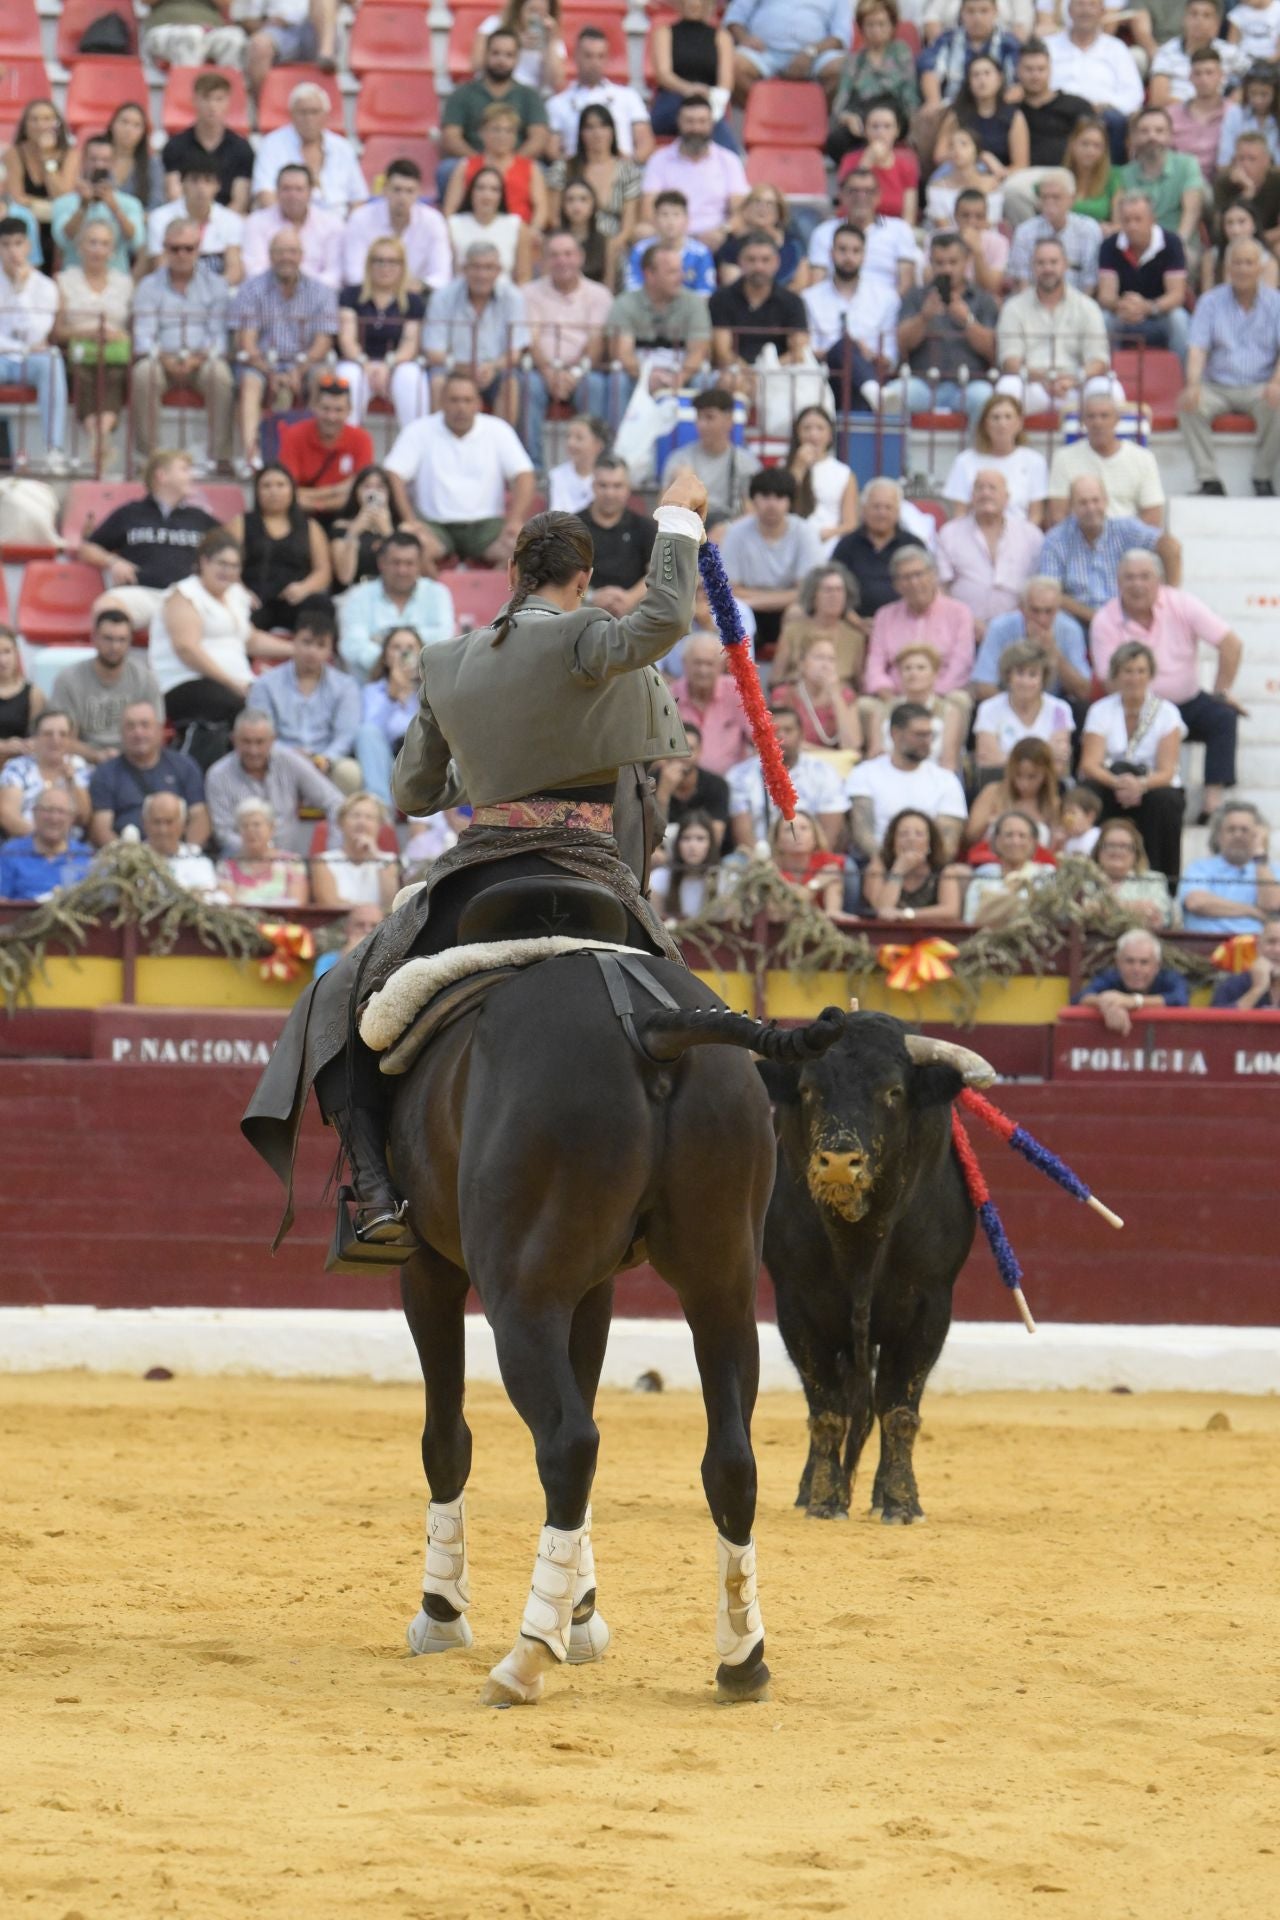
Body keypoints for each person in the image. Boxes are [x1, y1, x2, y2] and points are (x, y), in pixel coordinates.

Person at [242, 471, 709, 1245]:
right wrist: (676, 521)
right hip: (593, 864)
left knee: (342, 996)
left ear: (512, 574)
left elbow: (413, 792)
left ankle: (377, 1192)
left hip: (481, 865)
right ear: (582, 578)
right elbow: (662, 620)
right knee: (685, 994)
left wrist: (487, 771)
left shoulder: (446, 660)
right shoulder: (588, 631)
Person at [1090, 550, 1245, 819]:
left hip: (1186, 702)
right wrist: (1148, 706)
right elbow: (1109, 679)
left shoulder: (1182, 604)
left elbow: (1231, 643)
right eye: (1130, 578)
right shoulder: (1105, 618)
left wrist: (1222, 691)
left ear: (1159, 580)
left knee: (1223, 715)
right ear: (1118, 581)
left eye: (1145, 576)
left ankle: (1212, 803)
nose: (1137, 584)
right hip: (1136, 708)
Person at [149, 529, 291, 740]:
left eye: (234, 566)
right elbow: (187, 649)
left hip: (234, 685)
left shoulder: (235, 594)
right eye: (222, 564)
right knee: (243, 712)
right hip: (186, 684)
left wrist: (297, 650)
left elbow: (250, 639)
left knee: (281, 704)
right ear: (204, 562)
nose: (228, 571)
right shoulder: (184, 594)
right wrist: (232, 684)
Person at [384, 371, 536, 568]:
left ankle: (493, 597)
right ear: (442, 402)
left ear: (478, 403)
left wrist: (515, 520)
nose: (461, 407)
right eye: (454, 400)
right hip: (434, 525)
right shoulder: (419, 430)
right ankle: (436, 596)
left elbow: (524, 475)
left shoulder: (498, 430)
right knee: (410, 551)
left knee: (526, 553)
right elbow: (393, 474)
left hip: (486, 526)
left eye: (467, 400)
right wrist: (409, 519)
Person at [1178, 236, 1280, 497]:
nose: (1243, 269)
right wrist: (1193, 384)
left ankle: (1263, 476)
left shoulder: (1276, 303)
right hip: (1217, 386)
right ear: (1228, 268)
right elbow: (1198, 348)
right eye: (1237, 263)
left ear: (1260, 267)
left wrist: (1277, 382)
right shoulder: (1210, 301)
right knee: (1188, 404)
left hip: (1260, 385)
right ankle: (1209, 479)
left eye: (1249, 263)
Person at [230, 230, 340, 470]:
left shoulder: (321, 292)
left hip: (305, 362)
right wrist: (270, 373)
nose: (285, 257)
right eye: (279, 252)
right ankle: (252, 455)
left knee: (324, 380)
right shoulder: (251, 289)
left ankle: (312, 451)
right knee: (249, 382)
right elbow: (246, 341)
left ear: (301, 256)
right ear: (270, 256)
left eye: (291, 251)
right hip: (262, 363)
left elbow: (323, 342)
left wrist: (298, 372)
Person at [1078, 640, 1188, 880]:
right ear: (1117, 674)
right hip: (1111, 781)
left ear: (1150, 675)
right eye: (1128, 671)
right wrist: (1119, 784)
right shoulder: (1100, 710)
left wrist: (1140, 785)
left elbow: (1167, 770)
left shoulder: (1167, 712)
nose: (1134, 678)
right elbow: (1090, 763)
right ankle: (1088, 874)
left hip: (1152, 785)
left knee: (1166, 802)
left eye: (1141, 671)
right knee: (1088, 793)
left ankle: (1163, 880)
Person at [131, 223, 235, 466]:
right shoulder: (148, 286)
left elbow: (218, 336)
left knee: (220, 376)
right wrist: (164, 358)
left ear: (199, 249)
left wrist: (197, 359)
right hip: (161, 358)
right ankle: (150, 459)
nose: (182, 255)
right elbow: (144, 335)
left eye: (188, 248)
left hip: (202, 360)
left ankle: (220, 458)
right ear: (165, 249)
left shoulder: (216, 285)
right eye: (175, 249)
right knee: (143, 374)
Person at [870, 227, 997, 426]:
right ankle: (898, 458)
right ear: (930, 263)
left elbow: (992, 350)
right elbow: (902, 345)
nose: (946, 269)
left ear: (966, 262)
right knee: (891, 398)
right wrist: (924, 317)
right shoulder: (916, 296)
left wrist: (968, 321)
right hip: (923, 385)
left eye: (953, 262)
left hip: (969, 386)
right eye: (940, 263)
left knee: (987, 399)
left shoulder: (983, 300)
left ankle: (975, 457)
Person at [80, 451, 219, 630]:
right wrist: (113, 562)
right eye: (184, 470)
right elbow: (88, 548)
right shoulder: (130, 513)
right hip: (142, 593)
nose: (191, 476)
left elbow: (230, 550)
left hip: (188, 597)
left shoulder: (200, 518)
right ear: (162, 475)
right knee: (106, 610)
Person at [995, 236, 1122, 419]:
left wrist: (1072, 380)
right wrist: (1044, 379)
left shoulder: (1087, 307)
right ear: (1032, 267)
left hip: (1076, 386)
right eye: (1041, 263)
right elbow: (1010, 361)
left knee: (1111, 391)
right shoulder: (1013, 307)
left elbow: (1099, 360)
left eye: (1053, 262)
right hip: (1033, 385)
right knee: (1006, 388)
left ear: (1065, 265)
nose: (1047, 268)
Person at [246, 600, 361, 792]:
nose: (312, 651)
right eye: (306, 642)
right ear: (293, 641)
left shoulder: (345, 686)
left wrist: (324, 759)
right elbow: (260, 732)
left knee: (350, 772)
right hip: (278, 758)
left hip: (326, 762)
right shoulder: (265, 684)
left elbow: (345, 736)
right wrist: (289, 755)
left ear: (330, 650)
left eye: (320, 645)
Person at [521, 230, 613, 470]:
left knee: (594, 385)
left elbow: (596, 343)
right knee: (526, 385)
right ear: (543, 260)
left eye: (568, 254)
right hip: (541, 369)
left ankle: (594, 464)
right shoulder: (528, 293)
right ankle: (534, 468)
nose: (562, 260)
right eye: (554, 255)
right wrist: (549, 373)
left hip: (582, 371)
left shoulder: (599, 294)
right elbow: (531, 340)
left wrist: (572, 375)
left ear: (580, 257)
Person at [1039, 475, 1176, 625]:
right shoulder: (1056, 539)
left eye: (1095, 501)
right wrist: (1098, 619)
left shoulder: (1126, 529)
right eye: (1083, 503)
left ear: (1106, 501)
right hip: (1079, 622)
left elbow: (1171, 547)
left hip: (1127, 616)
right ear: (1072, 507)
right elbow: (1050, 591)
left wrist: (1169, 597)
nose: (1091, 508)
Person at [54, 219, 133, 475]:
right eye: (92, 242)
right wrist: (88, 332)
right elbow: (57, 332)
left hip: (114, 352)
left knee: (115, 374)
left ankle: (97, 438)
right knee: (83, 376)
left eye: (105, 244)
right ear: (80, 248)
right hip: (79, 350)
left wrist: (116, 335)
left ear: (113, 251)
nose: (98, 249)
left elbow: (133, 331)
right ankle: (102, 438)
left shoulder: (125, 283)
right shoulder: (64, 280)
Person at [206, 709, 343, 857]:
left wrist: (333, 852)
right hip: (241, 861)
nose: (253, 750)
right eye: (246, 741)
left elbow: (335, 802)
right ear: (234, 740)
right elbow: (223, 833)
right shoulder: (218, 775)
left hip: (291, 861)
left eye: (260, 742)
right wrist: (262, 850)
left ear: (273, 740)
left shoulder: (290, 760)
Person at [719, 470, 824, 654]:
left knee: (797, 612)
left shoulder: (805, 532)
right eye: (765, 496)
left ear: (790, 502)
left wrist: (757, 599)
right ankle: (740, 677)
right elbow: (729, 589)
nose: (772, 504)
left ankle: (784, 676)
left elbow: (807, 591)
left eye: (780, 497)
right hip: (747, 608)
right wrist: (778, 597)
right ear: (753, 499)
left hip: (785, 609)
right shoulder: (736, 532)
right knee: (733, 611)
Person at [846, 702, 969, 858]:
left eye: (931, 735)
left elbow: (948, 843)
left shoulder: (946, 780)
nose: (927, 741)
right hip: (875, 862)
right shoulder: (864, 773)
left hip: (928, 865)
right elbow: (862, 833)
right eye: (919, 735)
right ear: (895, 734)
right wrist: (892, 863)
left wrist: (917, 865)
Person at [422, 239, 529, 416]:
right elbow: (434, 351)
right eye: (476, 267)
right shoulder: (443, 297)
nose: (482, 274)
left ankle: (502, 442)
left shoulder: (513, 298)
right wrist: (464, 368)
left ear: (499, 271)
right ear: (464, 269)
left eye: (488, 267)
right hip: (453, 369)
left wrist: (492, 367)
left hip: (495, 371)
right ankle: (439, 441)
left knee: (511, 382)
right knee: (438, 380)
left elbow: (515, 351)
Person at [802, 224, 899, 409]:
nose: (848, 257)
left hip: (870, 371)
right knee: (843, 346)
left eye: (855, 251)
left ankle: (870, 389)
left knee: (858, 389)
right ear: (831, 253)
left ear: (864, 255)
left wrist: (867, 354)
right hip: (825, 377)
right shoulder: (810, 298)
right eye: (842, 250)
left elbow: (890, 358)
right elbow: (808, 352)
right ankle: (874, 391)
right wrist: (844, 350)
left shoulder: (887, 298)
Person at [86, 700, 209, 846]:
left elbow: (199, 816)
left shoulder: (185, 766)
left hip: (177, 855)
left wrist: (189, 852)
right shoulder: (105, 773)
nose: (138, 733)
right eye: (130, 726)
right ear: (121, 733)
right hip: (127, 857)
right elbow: (101, 828)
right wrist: (129, 860)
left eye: (145, 725)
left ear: (159, 730)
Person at [338, 530, 457, 680]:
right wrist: (399, 661)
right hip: (371, 688)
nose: (402, 570)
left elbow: (444, 639)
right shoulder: (358, 595)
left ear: (420, 564)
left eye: (409, 563)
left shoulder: (437, 593)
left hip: (424, 687)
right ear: (381, 563)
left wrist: (384, 639)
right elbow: (351, 646)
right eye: (396, 563)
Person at [51, 607, 163, 766]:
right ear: (94, 638)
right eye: (108, 639)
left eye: (122, 639)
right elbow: (61, 737)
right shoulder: (69, 679)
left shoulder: (145, 679)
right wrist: (95, 755)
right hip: (83, 761)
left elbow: (155, 731)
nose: (115, 646)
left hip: (134, 760)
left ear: (130, 641)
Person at [936, 470, 1046, 631]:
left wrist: (1014, 622)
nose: (985, 493)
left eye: (992, 488)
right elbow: (940, 588)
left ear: (1007, 498)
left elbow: (1040, 586)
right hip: (962, 628)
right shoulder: (949, 533)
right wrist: (968, 622)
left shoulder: (1031, 535)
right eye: (979, 488)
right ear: (971, 497)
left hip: (1021, 628)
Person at [226, 465, 331, 633]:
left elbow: (323, 571)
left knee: (320, 606)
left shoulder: (310, 527)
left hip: (295, 600)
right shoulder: (240, 523)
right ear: (257, 491)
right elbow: (225, 563)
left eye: (280, 485)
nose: (273, 491)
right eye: (266, 486)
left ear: (292, 490)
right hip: (253, 600)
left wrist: (304, 588)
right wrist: (241, 592)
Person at [1001, 38, 1095, 225]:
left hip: (1065, 172)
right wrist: (1004, 102)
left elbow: (1094, 141)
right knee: (1011, 190)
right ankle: (1032, 240)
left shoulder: (1076, 105)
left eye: (1041, 69)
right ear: (1018, 72)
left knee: (1016, 189)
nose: (1035, 76)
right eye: (1028, 69)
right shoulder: (1009, 109)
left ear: (1050, 70)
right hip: (1025, 176)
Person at [708, 230, 810, 403]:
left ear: (777, 262)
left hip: (779, 370)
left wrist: (766, 371)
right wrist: (749, 373)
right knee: (730, 381)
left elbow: (798, 351)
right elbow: (722, 351)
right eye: (751, 260)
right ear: (740, 262)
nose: (759, 267)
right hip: (734, 371)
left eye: (765, 260)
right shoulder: (721, 299)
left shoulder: (792, 301)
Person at [863, 548, 977, 701]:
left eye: (919, 574)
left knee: (960, 700)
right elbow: (875, 664)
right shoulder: (884, 616)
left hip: (943, 697)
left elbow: (961, 664)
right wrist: (888, 695)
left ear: (933, 575)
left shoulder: (959, 612)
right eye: (905, 577)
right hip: (895, 697)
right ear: (896, 585)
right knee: (865, 705)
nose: (914, 582)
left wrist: (932, 697)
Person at [728, 704, 849, 846]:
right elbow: (743, 834)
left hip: (812, 857)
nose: (781, 736)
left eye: (788, 730)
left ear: (801, 734)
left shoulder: (825, 773)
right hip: (757, 859)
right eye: (774, 731)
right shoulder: (739, 776)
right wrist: (763, 866)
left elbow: (829, 832)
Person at [640, 96, 749, 249]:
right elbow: (648, 213)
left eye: (702, 122)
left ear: (712, 123)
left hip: (716, 239)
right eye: (690, 121)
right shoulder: (659, 160)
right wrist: (679, 237)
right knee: (641, 232)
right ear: (679, 122)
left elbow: (740, 211)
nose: (696, 128)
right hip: (670, 238)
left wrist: (722, 231)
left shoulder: (729, 160)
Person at [1046, 389, 1167, 525]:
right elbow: (1058, 515)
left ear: (1117, 420)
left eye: (1104, 416)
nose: (1098, 423)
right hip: (1079, 540)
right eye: (1091, 416)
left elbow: (1153, 517)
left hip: (1130, 541)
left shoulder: (1143, 458)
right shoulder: (1064, 458)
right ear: (1083, 421)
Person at [0, 220, 66, 464]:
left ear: (28, 246)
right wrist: (21, 348)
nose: (12, 251)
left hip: (31, 360)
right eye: (5, 245)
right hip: (3, 358)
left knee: (52, 361)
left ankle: (54, 449)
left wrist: (21, 292)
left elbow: (38, 332)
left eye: (17, 244)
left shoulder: (46, 286)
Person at [1044, 0, 1144, 162]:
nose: (1086, 11)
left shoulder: (1116, 48)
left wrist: (1104, 105)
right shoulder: (1049, 46)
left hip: (1103, 115)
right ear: (1069, 11)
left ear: (1102, 12)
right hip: (1059, 112)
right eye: (1080, 5)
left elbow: (1133, 94)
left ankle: (1112, 177)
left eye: (1091, 5)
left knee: (1116, 120)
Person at [442, 28, 552, 173]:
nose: (501, 60)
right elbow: (451, 138)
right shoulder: (462, 93)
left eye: (509, 55)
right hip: (473, 164)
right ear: (486, 54)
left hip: (517, 165)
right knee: (447, 170)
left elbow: (539, 138)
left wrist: (510, 163)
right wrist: (480, 163)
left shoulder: (529, 95)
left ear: (517, 58)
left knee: (542, 172)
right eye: (496, 53)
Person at [250, 82, 366, 219]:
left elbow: (358, 199)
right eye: (303, 112)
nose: (309, 119)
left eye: (314, 112)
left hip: (338, 228)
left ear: (325, 115)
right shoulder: (271, 144)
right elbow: (265, 194)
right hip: (285, 227)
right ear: (292, 115)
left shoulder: (343, 147)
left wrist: (350, 229)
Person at [276, 374, 375, 534]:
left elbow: (361, 493)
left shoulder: (362, 439)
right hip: (300, 517)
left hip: (345, 517)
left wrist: (307, 498)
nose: (331, 417)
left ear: (349, 411)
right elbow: (285, 492)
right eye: (326, 409)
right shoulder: (293, 435)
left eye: (338, 410)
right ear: (314, 407)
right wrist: (336, 490)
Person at [340, 157, 452, 295]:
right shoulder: (360, 218)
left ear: (419, 193)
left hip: (416, 297)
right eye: (397, 190)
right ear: (385, 189)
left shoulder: (434, 221)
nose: (402, 197)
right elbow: (354, 274)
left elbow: (441, 276)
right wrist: (386, 288)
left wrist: (418, 286)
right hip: (369, 296)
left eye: (409, 191)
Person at [828, 2, 920, 168]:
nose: (876, 30)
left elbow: (910, 94)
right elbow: (842, 100)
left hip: (894, 115)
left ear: (892, 26)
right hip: (863, 117)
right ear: (862, 28)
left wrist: (909, 123)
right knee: (836, 141)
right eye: (870, 25)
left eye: (881, 24)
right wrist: (848, 118)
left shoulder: (901, 52)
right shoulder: (855, 60)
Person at [807, 168, 921, 297]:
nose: (861, 197)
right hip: (836, 306)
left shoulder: (899, 229)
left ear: (878, 196)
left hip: (888, 308)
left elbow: (906, 283)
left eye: (868, 192)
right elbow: (817, 283)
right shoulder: (824, 232)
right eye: (854, 191)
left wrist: (888, 311)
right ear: (842, 195)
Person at [1117, 105, 1209, 262]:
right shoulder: (1124, 174)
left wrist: (1175, 246)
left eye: (1159, 131)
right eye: (1144, 131)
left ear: (1170, 136)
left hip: (1179, 242)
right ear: (1134, 137)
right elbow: (1120, 220)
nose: (1152, 136)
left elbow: (1191, 212)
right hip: (1136, 246)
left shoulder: (1187, 164)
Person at [547, 25, 651, 161]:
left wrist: (626, 168)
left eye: (600, 56)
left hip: (621, 171)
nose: (595, 63)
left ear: (607, 58)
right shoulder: (557, 103)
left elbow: (645, 143)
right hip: (576, 174)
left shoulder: (628, 96)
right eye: (588, 56)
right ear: (576, 56)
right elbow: (552, 150)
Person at [942, 393, 1049, 524]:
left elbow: (1036, 515)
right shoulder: (964, 461)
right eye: (995, 417)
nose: (1002, 423)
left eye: (1008, 417)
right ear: (985, 424)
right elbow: (959, 514)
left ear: (1019, 423)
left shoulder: (1035, 461)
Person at [446, 101, 552, 232]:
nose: (502, 136)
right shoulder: (466, 166)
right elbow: (450, 209)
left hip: (520, 235)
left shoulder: (531, 168)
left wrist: (532, 233)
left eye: (509, 131)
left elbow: (541, 209)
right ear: (482, 132)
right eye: (496, 129)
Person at [831, 477, 928, 619]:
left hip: (906, 622)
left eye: (888, 507)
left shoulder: (913, 545)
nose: (882, 513)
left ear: (898, 511)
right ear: (863, 509)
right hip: (854, 623)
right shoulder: (847, 545)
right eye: (876, 507)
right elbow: (831, 587)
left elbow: (927, 588)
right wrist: (856, 622)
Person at [650, 0, 739, 151]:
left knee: (705, 117)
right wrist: (690, 89)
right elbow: (663, 74)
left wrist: (706, 95)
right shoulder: (664, 33)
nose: (693, 3)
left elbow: (726, 82)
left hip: (708, 100)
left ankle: (730, 167)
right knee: (698, 117)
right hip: (673, 98)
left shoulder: (721, 37)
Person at [974, 639, 1074, 773]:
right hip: (1001, 784)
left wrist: (1008, 760)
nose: (1025, 682)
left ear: (1043, 678)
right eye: (1020, 673)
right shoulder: (988, 709)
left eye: (1033, 674)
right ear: (1009, 675)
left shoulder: (1060, 710)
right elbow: (987, 762)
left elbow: (1058, 766)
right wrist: (1044, 756)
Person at [2, 100, 78, 275]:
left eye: (46, 119)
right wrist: (49, 207)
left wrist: (46, 158)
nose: (40, 125)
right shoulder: (14, 153)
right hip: (27, 224)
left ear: (57, 124)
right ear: (25, 125)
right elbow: (17, 198)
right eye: (34, 119)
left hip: (58, 227)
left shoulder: (70, 154)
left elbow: (63, 196)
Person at [50, 135, 144, 277]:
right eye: (93, 159)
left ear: (113, 163)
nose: (99, 165)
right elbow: (62, 240)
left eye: (105, 160)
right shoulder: (63, 203)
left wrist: (115, 208)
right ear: (83, 161)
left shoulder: (130, 204)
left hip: (116, 281)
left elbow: (136, 241)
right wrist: (83, 207)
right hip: (75, 280)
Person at [162, 70, 255, 214]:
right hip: (184, 220)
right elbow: (174, 194)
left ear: (228, 102)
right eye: (206, 98)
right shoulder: (175, 146)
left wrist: (216, 226)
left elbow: (240, 201)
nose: (212, 106)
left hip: (226, 224)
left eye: (219, 99)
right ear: (194, 101)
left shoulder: (241, 149)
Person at [1180, 800, 1280, 932]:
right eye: (1231, 829)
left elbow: (1272, 905)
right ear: (1219, 836)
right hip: (1206, 945)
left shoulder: (1271, 870)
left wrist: (1260, 856)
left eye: (1245, 830)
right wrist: (1252, 911)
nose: (1237, 835)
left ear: (1257, 835)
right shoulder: (1200, 868)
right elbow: (1196, 903)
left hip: (1256, 948)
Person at [577, 456, 657, 616]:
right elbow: (563, 574)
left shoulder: (644, 527)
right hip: (584, 606)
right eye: (603, 485)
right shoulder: (574, 526)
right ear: (593, 486)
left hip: (635, 610)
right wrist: (592, 596)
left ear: (628, 489)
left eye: (617, 486)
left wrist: (630, 598)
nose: (610, 493)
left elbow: (657, 573)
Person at [724, 0, 851, 102]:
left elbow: (841, 36)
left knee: (845, 69)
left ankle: (809, 114)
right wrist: (745, 38)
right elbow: (734, 17)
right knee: (731, 64)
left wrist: (810, 52)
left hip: (815, 54)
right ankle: (768, 111)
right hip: (764, 52)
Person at [241, 163, 341, 287]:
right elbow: (255, 270)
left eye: (299, 189)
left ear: (310, 192)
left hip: (318, 298)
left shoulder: (332, 224)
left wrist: (304, 290)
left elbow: (335, 273)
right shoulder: (256, 222)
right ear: (276, 191)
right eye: (286, 189)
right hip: (269, 297)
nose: (292, 195)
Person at [668, 633, 755, 773]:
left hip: (733, 783)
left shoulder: (737, 692)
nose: (703, 670)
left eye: (709, 663)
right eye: (697, 663)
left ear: (721, 666)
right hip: (685, 782)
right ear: (684, 663)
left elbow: (758, 738)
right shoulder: (670, 696)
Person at [148, 158, 246, 283]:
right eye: (194, 180)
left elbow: (234, 270)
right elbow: (160, 267)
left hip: (217, 295)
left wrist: (210, 292)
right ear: (182, 184)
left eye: (208, 181)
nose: (201, 188)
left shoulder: (231, 220)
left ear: (218, 186)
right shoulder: (160, 218)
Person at [861, 807, 968, 920]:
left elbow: (950, 911)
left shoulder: (943, 870)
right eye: (903, 834)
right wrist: (898, 871)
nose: (911, 839)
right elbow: (883, 911)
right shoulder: (878, 866)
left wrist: (907, 915)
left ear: (930, 843)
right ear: (893, 841)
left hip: (932, 935)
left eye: (919, 834)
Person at [1006, 169, 1103, 294]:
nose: (1049, 202)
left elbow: (1090, 282)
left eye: (1056, 197)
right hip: (1034, 303)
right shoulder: (1025, 232)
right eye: (1044, 197)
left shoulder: (1089, 230)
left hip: (1078, 304)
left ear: (1071, 199)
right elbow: (1022, 281)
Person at [1075, 926, 1189, 1032]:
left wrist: (1134, 1001)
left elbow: (1179, 999)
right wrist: (1107, 1004)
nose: (1136, 969)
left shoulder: (1170, 978)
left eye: (1144, 962)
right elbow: (1082, 997)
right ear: (1118, 962)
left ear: (1157, 966)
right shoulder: (1110, 977)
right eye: (1129, 961)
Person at [355, 627, 421, 804]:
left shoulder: (430, 689)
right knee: (367, 732)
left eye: (410, 647)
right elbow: (370, 736)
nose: (404, 653)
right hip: (386, 763)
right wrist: (392, 694)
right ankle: (380, 808)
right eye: (396, 647)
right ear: (385, 657)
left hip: (422, 763)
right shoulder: (372, 691)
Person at [0, 709, 91, 839]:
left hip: (70, 850)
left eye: (63, 734)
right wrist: (45, 840)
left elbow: (84, 819)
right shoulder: (17, 767)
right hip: (26, 847)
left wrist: (72, 781)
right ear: (35, 738)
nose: (55, 739)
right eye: (48, 734)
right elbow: (8, 816)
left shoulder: (78, 766)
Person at [918, 0, 1022, 113]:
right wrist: (934, 101)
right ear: (961, 13)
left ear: (995, 13)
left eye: (984, 11)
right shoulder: (947, 40)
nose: (977, 18)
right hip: (953, 109)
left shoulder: (1009, 43)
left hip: (998, 110)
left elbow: (1019, 85)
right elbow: (930, 72)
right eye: (970, 11)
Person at [773, 563, 868, 686]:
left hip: (839, 700)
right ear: (813, 596)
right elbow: (775, 680)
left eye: (839, 590)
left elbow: (859, 685)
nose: (834, 596)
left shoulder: (855, 638)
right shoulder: (792, 632)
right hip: (799, 698)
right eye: (828, 590)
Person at [770, 636, 865, 756]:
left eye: (831, 659)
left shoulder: (846, 696)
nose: (825, 665)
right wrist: (830, 755)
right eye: (819, 657)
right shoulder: (783, 695)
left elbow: (852, 746)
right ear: (802, 663)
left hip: (837, 767)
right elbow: (781, 741)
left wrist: (835, 695)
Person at [965, 736, 1061, 850]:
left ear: (1046, 775)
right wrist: (988, 822)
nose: (1024, 784)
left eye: (1032, 777)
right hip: (990, 862)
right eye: (1018, 775)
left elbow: (1053, 850)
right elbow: (969, 837)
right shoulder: (993, 793)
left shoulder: (1052, 804)